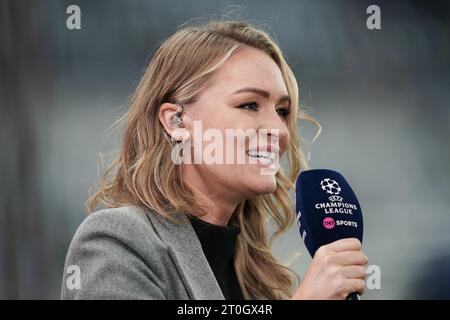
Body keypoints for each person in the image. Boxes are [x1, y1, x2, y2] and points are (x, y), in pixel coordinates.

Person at [61, 19, 368, 300]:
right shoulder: (118, 241)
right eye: (249, 105)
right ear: (177, 121)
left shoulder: (257, 278)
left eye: (283, 111)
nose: (278, 129)